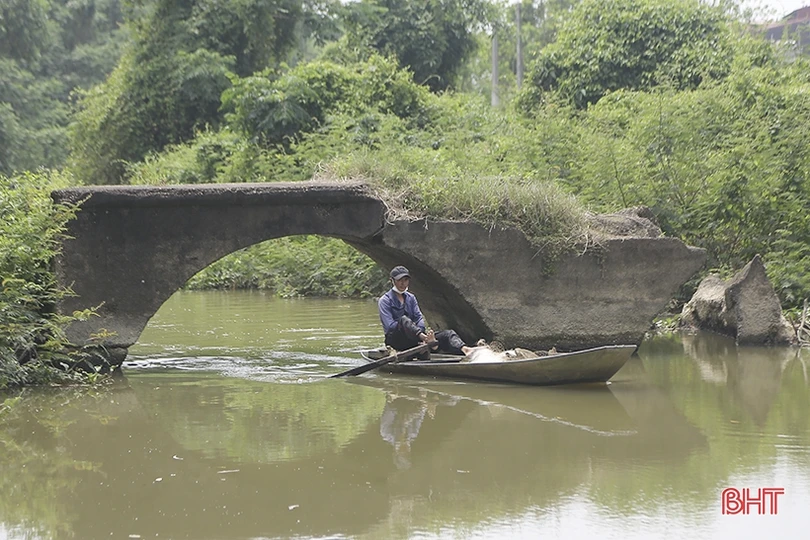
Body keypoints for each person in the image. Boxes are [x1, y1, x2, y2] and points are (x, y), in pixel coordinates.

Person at [378, 265, 482, 356]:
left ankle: (465, 349)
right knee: (404, 320)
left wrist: (422, 335)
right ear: (392, 280)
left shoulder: (411, 298)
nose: (403, 283)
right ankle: (427, 341)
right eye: (399, 280)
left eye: (405, 280)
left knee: (448, 334)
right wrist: (421, 336)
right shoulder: (385, 300)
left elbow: (419, 318)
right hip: (396, 340)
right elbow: (390, 327)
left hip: (415, 338)